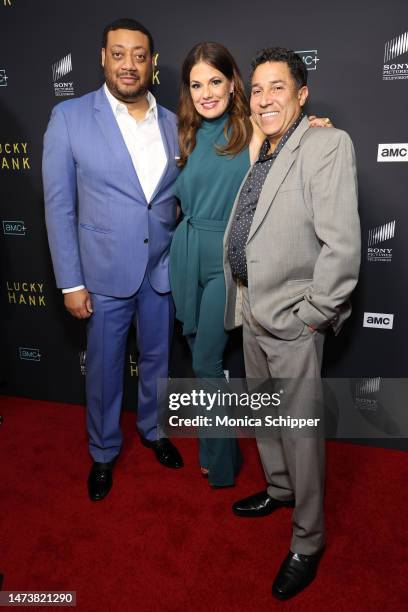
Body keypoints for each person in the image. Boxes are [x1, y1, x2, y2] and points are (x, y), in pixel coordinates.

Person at [224, 47, 360, 599]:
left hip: (293, 320)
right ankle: (278, 490)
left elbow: (343, 246)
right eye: (256, 90)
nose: (264, 99)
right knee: (264, 416)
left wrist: (315, 316)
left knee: (301, 435)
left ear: (301, 96)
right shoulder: (266, 149)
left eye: (277, 88)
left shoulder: (327, 144)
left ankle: (308, 539)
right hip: (252, 311)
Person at [170, 42, 332, 488]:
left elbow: (293, 138)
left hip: (226, 260)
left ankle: (220, 463)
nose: (206, 93)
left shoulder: (250, 128)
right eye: (196, 84)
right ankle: (219, 452)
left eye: (215, 81)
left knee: (205, 360)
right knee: (197, 356)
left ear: (232, 83)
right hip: (186, 254)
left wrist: (315, 127)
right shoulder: (182, 132)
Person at [43, 18, 183, 502]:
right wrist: (70, 282)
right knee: (103, 368)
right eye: (119, 54)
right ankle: (103, 451)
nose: (129, 65)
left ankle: (155, 429)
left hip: (162, 269)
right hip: (101, 274)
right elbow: (59, 206)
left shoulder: (174, 123)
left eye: (139, 56)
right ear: (103, 57)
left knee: (159, 360)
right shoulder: (70, 118)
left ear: (153, 64)